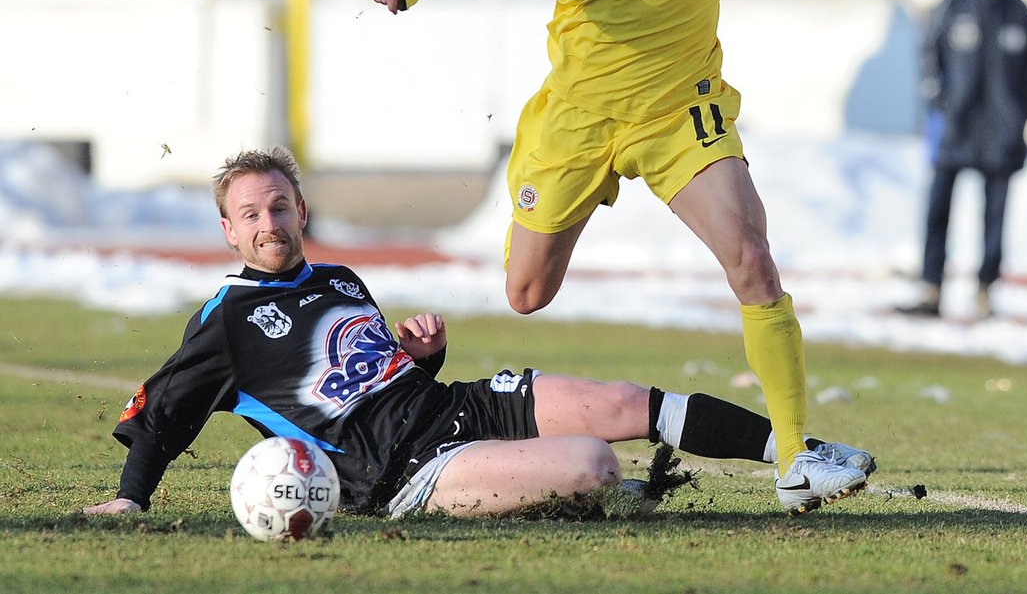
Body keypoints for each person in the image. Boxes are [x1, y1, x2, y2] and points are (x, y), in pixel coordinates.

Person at [367, 0, 915, 511]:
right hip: (579, 117)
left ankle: (796, 457)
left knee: (753, 258)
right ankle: (571, 203)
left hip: (680, 112)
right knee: (526, 293)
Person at [84, 147, 875, 520]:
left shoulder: (336, 280)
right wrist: (130, 501)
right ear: (228, 229)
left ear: (302, 209)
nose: (269, 222)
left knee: (623, 401)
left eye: (280, 205)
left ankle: (796, 455)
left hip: (451, 408)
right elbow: (166, 410)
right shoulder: (225, 317)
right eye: (251, 213)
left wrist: (425, 358)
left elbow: (393, 381)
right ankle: (565, 493)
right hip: (399, 470)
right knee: (595, 464)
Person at [899, 0, 1027, 319]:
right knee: (938, 209)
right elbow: (931, 61)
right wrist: (940, 105)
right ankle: (931, 288)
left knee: (994, 215)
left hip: (1001, 134)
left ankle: (985, 290)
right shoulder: (953, 6)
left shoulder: (1018, 11)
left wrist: (1021, 112)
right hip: (956, 129)